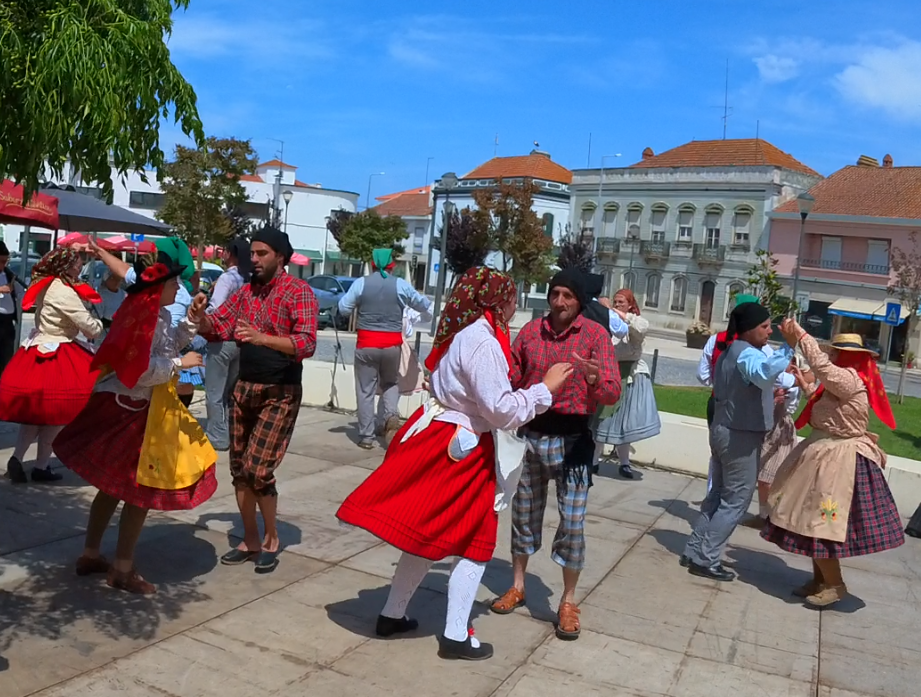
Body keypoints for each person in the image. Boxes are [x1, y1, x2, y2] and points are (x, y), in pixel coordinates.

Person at [337, 266, 573, 660]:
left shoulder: (460, 333)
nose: (515, 304)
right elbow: (499, 410)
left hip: (442, 436)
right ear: (498, 300)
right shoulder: (482, 340)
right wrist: (544, 389)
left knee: (426, 531)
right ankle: (455, 635)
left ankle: (392, 613)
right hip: (463, 448)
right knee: (476, 539)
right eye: (511, 297)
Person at [53, 259, 217, 594]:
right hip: (130, 409)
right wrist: (177, 365)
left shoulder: (157, 314)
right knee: (139, 491)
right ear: (158, 289)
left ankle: (91, 554)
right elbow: (137, 369)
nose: (180, 289)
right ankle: (122, 569)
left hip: (137, 407)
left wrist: (191, 319)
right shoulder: (141, 318)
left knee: (113, 488)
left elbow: (169, 343)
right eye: (175, 284)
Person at [490, 268, 620, 641]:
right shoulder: (531, 332)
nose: (560, 302)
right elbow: (511, 376)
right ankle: (517, 585)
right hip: (531, 437)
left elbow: (612, 393)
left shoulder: (595, 335)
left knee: (573, 524)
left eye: (568, 296)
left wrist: (595, 379)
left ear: (580, 301)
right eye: (555, 294)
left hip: (574, 444)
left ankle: (567, 600)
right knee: (523, 516)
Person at [194, 226, 318, 573]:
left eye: (262, 254)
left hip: (280, 392)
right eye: (253, 254)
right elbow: (216, 326)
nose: (255, 259)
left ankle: (272, 537)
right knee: (239, 471)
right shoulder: (244, 293)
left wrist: (263, 338)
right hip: (245, 388)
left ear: (280, 257)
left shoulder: (299, 292)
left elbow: (306, 342)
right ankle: (249, 538)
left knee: (258, 468)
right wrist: (198, 315)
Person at [762, 326, 904, 608]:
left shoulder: (849, 378)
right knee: (810, 521)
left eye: (840, 352)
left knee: (822, 524)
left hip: (838, 460)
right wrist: (807, 387)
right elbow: (830, 406)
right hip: (824, 452)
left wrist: (802, 337)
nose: (837, 356)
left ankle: (835, 584)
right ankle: (821, 580)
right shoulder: (843, 381)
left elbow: (824, 369)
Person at [680, 301, 795, 581]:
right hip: (738, 435)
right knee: (736, 500)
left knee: (718, 495)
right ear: (747, 329)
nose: (770, 332)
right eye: (765, 327)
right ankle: (706, 559)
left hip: (725, 430)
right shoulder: (746, 355)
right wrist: (790, 347)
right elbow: (765, 373)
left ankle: (695, 550)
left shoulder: (733, 351)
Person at [0, 247, 103, 483]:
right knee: (56, 414)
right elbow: (89, 326)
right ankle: (41, 465)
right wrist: (98, 323)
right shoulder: (62, 291)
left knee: (38, 415)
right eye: (77, 263)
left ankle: (20, 459)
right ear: (66, 267)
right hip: (57, 352)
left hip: (37, 349)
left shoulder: (47, 285)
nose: (80, 267)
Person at [337, 248, 432, 449]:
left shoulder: (361, 283)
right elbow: (423, 304)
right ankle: (391, 416)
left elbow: (344, 308)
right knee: (390, 383)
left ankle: (366, 436)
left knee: (365, 390)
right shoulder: (400, 285)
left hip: (366, 344)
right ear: (392, 265)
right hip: (392, 345)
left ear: (372, 264)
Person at [593, 288, 660, 480]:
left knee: (625, 424)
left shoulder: (635, 323)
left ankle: (624, 463)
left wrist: (616, 313)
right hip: (610, 373)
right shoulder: (610, 323)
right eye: (615, 302)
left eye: (621, 302)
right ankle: (594, 461)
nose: (617, 305)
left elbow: (641, 329)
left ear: (630, 304)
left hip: (630, 377)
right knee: (601, 420)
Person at [696, 293, 759, 492]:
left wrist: (718, 383)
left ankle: (712, 493)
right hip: (744, 410)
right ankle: (729, 499)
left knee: (716, 452)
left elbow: (702, 374)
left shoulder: (717, 339)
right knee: (740, 457)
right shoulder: (758, 347)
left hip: (717, 402)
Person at [750, 354, 812, 526]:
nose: (789, 365)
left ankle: (773, 517)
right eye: (788, 361)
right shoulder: (777, 378)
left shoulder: (791, 382)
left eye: (794, 362)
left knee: (770, 477)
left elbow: (799, 381)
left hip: (782, 428)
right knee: (763, 477)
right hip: (768, 424)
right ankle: (764, 515)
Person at [204, 238, 250, 450]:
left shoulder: (226, 278)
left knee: (214, 393)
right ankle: (233, 434)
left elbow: (216, 308)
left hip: (221, 340)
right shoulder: (247, 279)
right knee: (231, 393)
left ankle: (217, 437)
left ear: (230, 254)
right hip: (241, 341)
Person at [0, 241, 20, 375]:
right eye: (1, 261)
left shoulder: (8, 274)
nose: (3, 265)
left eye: (5, 261)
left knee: (6, 360)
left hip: (7, 323)